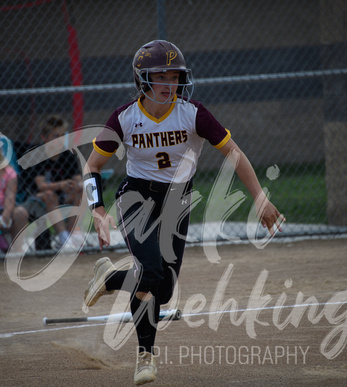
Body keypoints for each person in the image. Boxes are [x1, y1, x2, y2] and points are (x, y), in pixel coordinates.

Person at [82, 40, 284, 385]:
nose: (169, 84)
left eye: (174, 76)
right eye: (160, 76)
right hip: (137, 199)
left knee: (163, 290)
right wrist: (98, 211)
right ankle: (145, 356)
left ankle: (110, 278)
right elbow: (92, 166)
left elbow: (233, 152)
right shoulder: (125, 118)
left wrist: (260, 198)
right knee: (149, 271)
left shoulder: (192, 113)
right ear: (141, 80)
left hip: (177, 202)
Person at [21, 115, 83, 250]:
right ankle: (63, 238)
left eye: (62, 135)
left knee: (80, 191)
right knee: (50, 194)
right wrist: (61, 185)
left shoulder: (68, 154)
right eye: (55, 136)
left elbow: (77, 178)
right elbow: (41, 186)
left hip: (62, 196)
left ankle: (71, 234)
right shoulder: (38, 154)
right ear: (45, 138)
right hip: (38, 198)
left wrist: (77, 185)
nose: (60, 140)